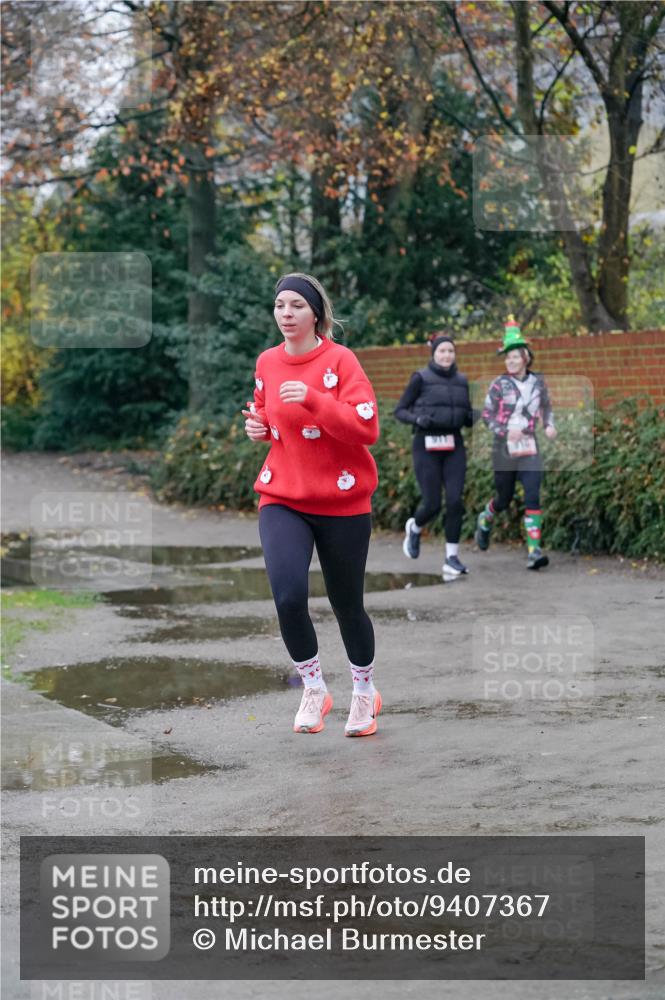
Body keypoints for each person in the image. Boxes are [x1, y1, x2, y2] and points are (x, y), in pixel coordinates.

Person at [242, 272, 382, 737]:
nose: (286, 314)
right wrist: (258, 426)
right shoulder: (266, 361)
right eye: (280, 305)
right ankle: (315, 687)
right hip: (282, 494)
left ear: (316, 313)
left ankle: (364, 692)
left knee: (347, 606)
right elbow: (266, 411)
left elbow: (367, 428)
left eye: (296, 306)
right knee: (287, 596)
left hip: (342, 500)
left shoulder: (340, 361)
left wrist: (317, 400)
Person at [474, 316, 557, 569]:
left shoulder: (538, 382)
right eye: (507, 357)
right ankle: (486, 517)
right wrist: (504, 431)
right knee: (504, 498)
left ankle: (534, 551)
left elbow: (546, 407)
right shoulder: (498, 385)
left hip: (530, 446)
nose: (510, 361)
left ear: (526, 358)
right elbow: (486, 416)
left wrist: (549, 425)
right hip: (504, 449)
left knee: (532, 496)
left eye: (515, 357)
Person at [394, 334, 474, 579]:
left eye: (450, 351)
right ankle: (415, 527)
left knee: (455, 501)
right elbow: (400, 411)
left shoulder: (462, 380)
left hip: (454, 444)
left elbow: (467, 412)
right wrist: (418, 419)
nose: (447, 355)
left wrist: (472, 418)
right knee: (432, 504)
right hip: (426, 444)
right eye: (442, 351)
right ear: (434, 354)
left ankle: (451, 558)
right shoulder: (421, 378)